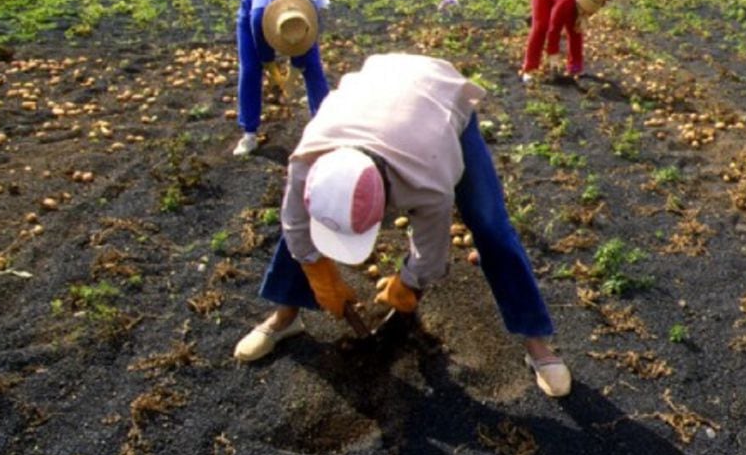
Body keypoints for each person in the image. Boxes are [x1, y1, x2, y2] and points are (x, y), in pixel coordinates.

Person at [233, 53, 571, 397]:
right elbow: (296, 223)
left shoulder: (429, 179)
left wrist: (410, 283)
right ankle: (285, 317)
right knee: (306, 231)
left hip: (437, 96)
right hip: (376, 86)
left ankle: (537, 344)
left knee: (490, 223)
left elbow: (431, 251)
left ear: (387, 204)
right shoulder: (310, 160)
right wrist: (318, 272)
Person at [234, 0, 331, 156]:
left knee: (313, 67)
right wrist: (277, 78)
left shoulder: (310, 14)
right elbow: (265, 57)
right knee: (250, 69)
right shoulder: (258, 17)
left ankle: (325, 128)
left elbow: (304, 51)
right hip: (251, 12)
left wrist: (291, 80)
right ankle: (249, 133)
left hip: (299, 18)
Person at [520, 0, 610, 84]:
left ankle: (575, 69)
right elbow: (554, 29)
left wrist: (583, 16)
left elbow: (592, 7)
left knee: (575, 29)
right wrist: (553, 54)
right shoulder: (565, 2)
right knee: (541, 26)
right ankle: (530, 69)